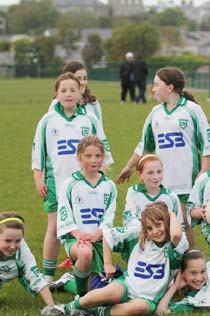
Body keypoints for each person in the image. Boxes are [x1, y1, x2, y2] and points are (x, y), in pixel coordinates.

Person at [116, 66, 210, 249]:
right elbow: (144, 144)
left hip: (186, 180)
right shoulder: (155, 113)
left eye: (156, 84)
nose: (152, 89)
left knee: (183, 223)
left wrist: (203, 172)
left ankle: (189, 262)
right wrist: (129, 167)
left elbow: (207, 145)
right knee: (161, 225)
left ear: (169, 88)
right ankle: (162, 264)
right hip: (160, 180)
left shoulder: (192, 110)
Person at [32, 73, 113, 283]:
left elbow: (103, 148)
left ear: (80, 93)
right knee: (53, 227)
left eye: (73, 90)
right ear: (56, 94)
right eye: (63, 90)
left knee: (87, 227)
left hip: (85, 186)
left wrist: (101, 175)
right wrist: (38, 178)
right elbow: (38, 151)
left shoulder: (90, 119)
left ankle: (92, 270)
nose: (68, 94)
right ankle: (48, 276)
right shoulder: (48, 120)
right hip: (55, 184)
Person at [57, 201, 188, 316]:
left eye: (159, 225)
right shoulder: (138, 237)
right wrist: (108, 264)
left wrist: (168, 211)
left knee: (139, 308)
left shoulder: (175, 246)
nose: (155, 231)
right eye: (149, 228)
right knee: (109, 292)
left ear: (167, 222)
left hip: (148, 298)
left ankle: (94, 312)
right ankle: (65, 308)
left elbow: (176, 234)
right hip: (127, 284)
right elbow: (108, 236)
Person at [56, 136, 117, 297]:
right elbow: (64, 214)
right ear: (79, 157)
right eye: (88, 156)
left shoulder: (109, 186)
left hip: (99, 241)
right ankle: (81, 298)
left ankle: (68, 282)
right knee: (85, 254)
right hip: (76, 240)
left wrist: (96, 235)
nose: (94, 160)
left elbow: (109, 216)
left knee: (100, 291)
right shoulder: (70, 184)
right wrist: (79, 236)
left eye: (98, 156)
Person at [0, 212, 64, 316]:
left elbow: (36, 277)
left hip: (16, 269)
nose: (12, 246)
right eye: (7, 241)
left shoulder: (23, 252)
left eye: (17, 241)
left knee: (38, 285)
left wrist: (52, 307)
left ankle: (64, 282)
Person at [122, 154, 184, 232]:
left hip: (164, 242)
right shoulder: (133, 192)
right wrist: (148, 231)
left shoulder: (172, 197)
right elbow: (128, 219)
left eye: (159, 172)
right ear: (139, 175)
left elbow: (179, 225)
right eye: (150, 173)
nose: (156, 177)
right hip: (140, 239)